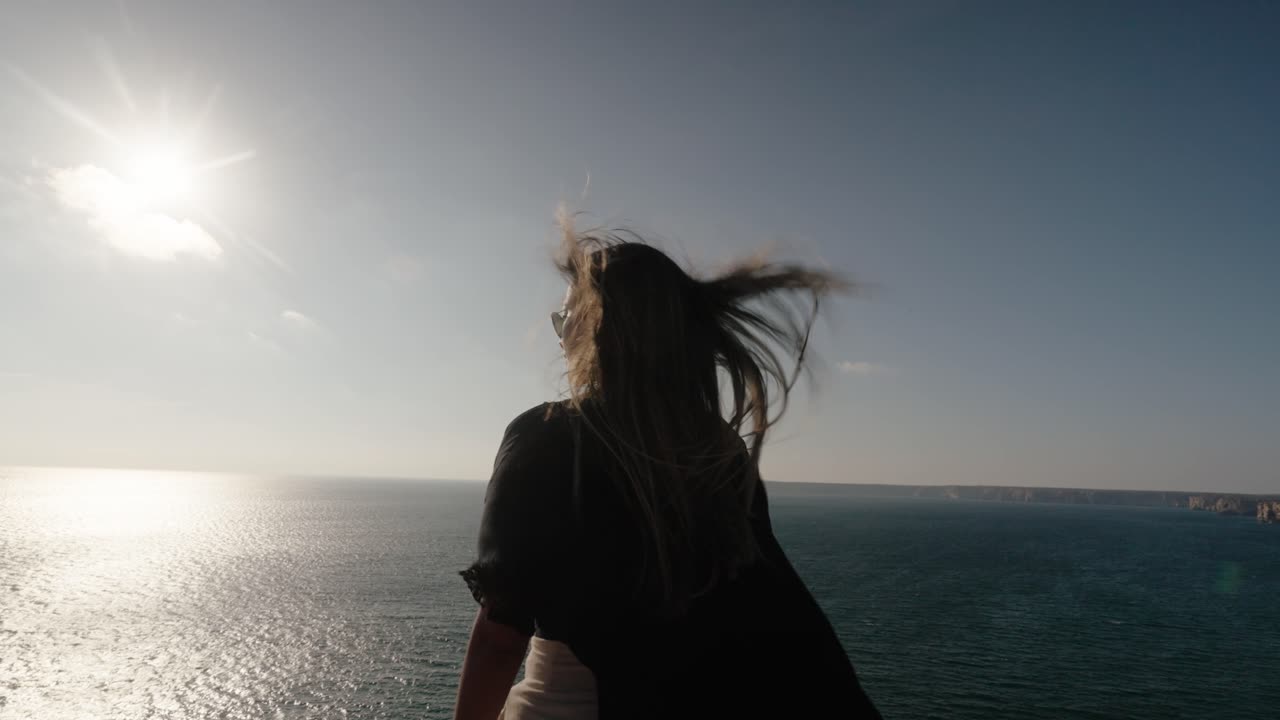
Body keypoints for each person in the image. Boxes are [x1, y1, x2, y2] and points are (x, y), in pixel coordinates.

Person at [454, 224, 882, 720]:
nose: (560, 336)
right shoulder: (718, 448)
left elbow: (500, 637)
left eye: (566, 318)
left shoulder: (546, 436)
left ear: (596, 326)